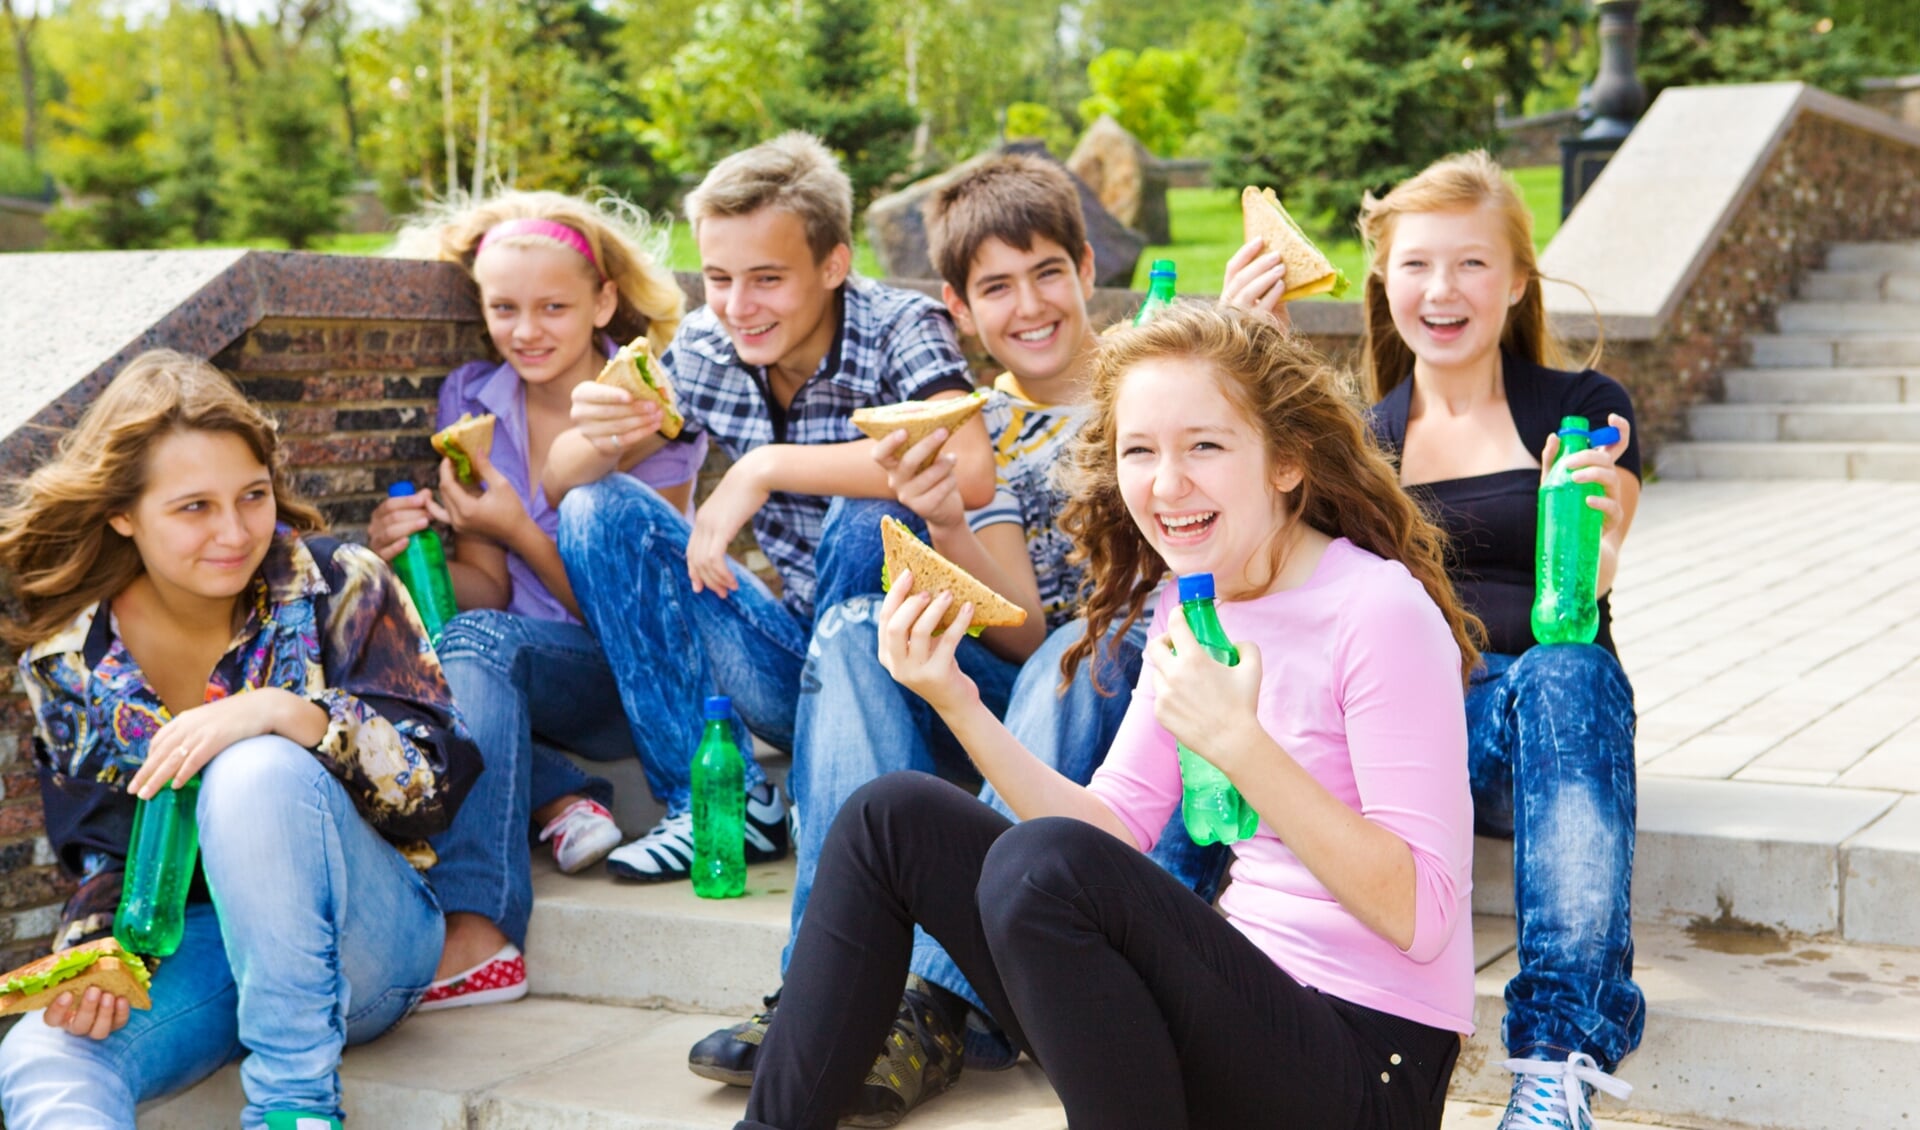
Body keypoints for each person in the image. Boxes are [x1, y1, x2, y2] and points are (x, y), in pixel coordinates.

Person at [738, 303, 1481, 1130]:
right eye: (1140, 450)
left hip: (1363, 1065)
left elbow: (1422, 916)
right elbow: (1114, 827)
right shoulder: (1188, 601)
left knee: (1043, 864)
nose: (1167, 484)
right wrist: (958, 699)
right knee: (893, 816)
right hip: (1240, 1018)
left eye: (1205, 445)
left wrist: (1241, 746)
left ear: (1287, 461)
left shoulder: (1377, 610)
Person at [687, 153, 1229, 1124]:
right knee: (857, 626)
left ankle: (934, 997)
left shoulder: (1157, 379)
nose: (1029, 305)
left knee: (1083, 644)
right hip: (1027, 685)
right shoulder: (990, 429)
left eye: (1048, 273)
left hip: (1143, 687)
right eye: (995, 287)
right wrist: (945, 525)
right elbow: (1015, 624)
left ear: (1084, 267)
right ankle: (820, 988)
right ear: (959, 306)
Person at [1228, 150, 1643, 1130]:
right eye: (1417, 264)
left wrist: (1581, 518)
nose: (1442, 289)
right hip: (1398, 738)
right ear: (1383, 283)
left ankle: (1558, 1060)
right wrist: (1258, 364)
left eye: (1471, 264)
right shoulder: (1357, 439)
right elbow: (1263, 552)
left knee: (1567, 667)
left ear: (1516, 283)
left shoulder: (1579, 411)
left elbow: (1607, 549)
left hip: (1529, 729)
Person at [0, 351, 481, 1130]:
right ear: (124, 513)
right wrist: (93, 962)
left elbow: (436, 790)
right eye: (194, 508)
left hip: (365, 944)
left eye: (252, 496)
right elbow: (99, 853)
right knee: (39, 1058)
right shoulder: (69, 661)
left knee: (253, 769)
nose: (235, 532)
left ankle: (293, 1108)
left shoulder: (339, 584)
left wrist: (291, 715)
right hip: (202, 951)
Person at [548, 132, 995, 882]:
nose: (737, 306)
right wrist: (595, 433)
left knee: (867, 515)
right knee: (597, 508)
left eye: (766, 279)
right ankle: (717, 808)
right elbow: (564, 483)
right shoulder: (707, 345)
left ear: (833, 264)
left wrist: (763, 466)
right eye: (718, 277)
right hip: (789, 662)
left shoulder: (899, 327)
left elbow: (970, 467)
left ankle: (843, 794)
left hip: (907, 675)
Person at [373, 189, 759, 1011]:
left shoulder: (647, 407)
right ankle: (554, 787)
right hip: (525, 669)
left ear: (603, 303)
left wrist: (517, 526)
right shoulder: (474, 399)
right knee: (381, 605)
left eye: (553, 307)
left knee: (482, 641)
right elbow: (482, 592)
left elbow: (632, 617)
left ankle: (480, 923)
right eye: (503, 308)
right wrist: (416, 554)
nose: (527, 331)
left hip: (637, 680)